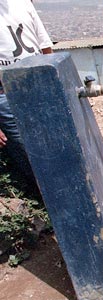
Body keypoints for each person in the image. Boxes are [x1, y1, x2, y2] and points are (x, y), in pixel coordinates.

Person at [0, 0, 53, 194]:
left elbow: (46, 47)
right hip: (6, 95)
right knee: (33, 160)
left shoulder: (22, 3)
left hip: (38, 87)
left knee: (57, 147)